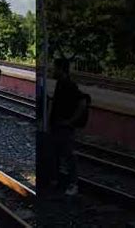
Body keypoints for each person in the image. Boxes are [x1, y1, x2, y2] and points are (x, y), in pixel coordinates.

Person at [50, 58, 89, 196]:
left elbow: (83, 102)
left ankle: (73, 184)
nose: (53, 70)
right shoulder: (60, 83)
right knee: (57, 154)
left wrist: (70, 121)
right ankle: (59, 180)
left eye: (55, 68)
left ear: (61, 69)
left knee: (69, 155)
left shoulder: (69, 85)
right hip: (58, 126)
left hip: (65, 128)